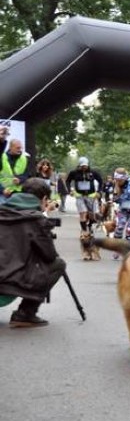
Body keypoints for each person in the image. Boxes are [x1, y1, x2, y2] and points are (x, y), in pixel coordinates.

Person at [0, 178, 66, 327]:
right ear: (43, 199)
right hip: (12, 283)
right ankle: (26, 313)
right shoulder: (36, 220)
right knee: (58, 264)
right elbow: (49, 256)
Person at [65, 156, 104, 231]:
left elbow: (100, 181)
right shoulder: (74, 173)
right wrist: (70, 190)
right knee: (83, 213)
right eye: (82, 166)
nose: (84, 167)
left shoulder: (93, 172)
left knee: (93, 215)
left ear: (88, 165)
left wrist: (99, 192)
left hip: (91, 196)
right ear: (79, 165)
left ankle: (89, 225)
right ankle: (84, 231)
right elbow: (68, 181)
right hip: (80, 196)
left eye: (85, 166)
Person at [1, 138, 33, 203]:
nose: (20, 150)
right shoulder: (2, 157)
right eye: (17, 148)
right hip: (2, 193)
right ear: (10, 147)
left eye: (21, 148)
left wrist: (20, 180)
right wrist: (2, 190)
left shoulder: (24, 158)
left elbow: (26, 175)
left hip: (18, 193)